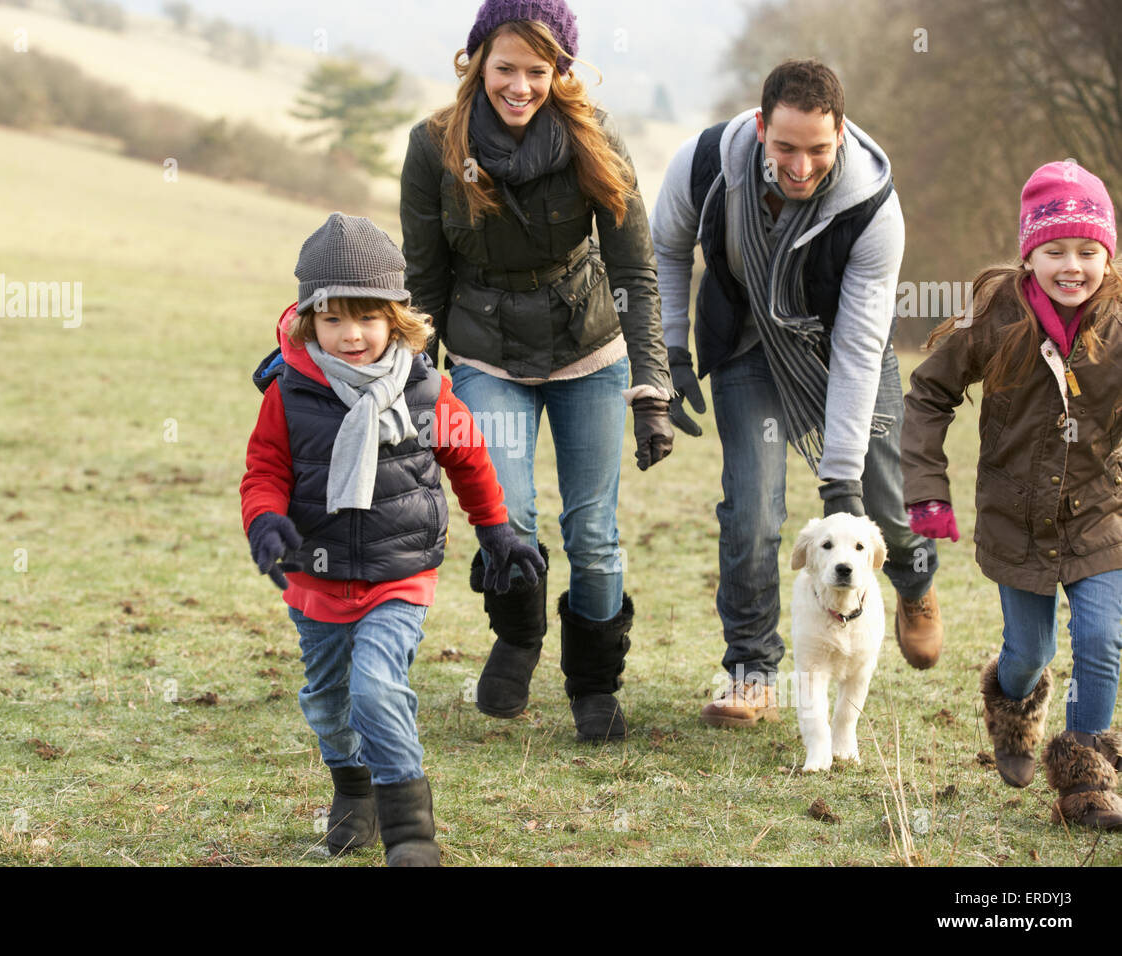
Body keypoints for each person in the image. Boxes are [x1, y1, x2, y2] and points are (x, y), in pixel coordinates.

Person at [400, 0, 674, 743]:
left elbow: (635, 273)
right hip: (487, 352)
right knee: (508, 514)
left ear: (561, 72)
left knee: (593, 530)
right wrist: (416, 393)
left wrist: (650, 385)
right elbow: (423, 285)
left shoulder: (594, 138)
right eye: (506, 68)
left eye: (538, 70)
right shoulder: (434, 147)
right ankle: (518, 638)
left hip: (588, 348)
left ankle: (593, 683)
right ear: (477, 61)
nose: (520, 86)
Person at [239, 213, 544, 865]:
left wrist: (497, 531)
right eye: (334, 318)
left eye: (368, 317)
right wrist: (266, 523)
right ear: (307, 320)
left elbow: (468, 460)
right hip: (313, 577)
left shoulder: (428, 391)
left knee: (376, 686)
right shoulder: (288, 394)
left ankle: (409, 832)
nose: (352, 334)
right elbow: (263, 470)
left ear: (397, 318)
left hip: (398, 574)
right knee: (327, 703)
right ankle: (354, 791)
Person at [650, 59, 943, 729]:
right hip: (748, 347)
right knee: (752, 514)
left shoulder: (873, 206)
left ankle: (918, 584)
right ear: (760, 129)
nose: (801, 165)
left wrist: (840, 483)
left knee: (883, 510)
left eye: (818, 148)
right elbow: (665, 247)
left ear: (841, 132)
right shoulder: (705, 163)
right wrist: (668, 352)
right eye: (785, 148)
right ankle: (751, 673)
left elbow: (860, 346)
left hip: (839, 350)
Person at [902, 160, 1122, 829]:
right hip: (1016, 520)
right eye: (1055, 251)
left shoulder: (1116, 322)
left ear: (1107, 255)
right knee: (1030, 653)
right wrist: (927, 493)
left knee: (1103, 640)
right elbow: (929, 394)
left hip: (1100, 515)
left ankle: (1087, 779)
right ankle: (1010, 703)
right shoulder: (995, 313)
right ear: (1030, 254)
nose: (1072, 266)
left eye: (1088, 251)